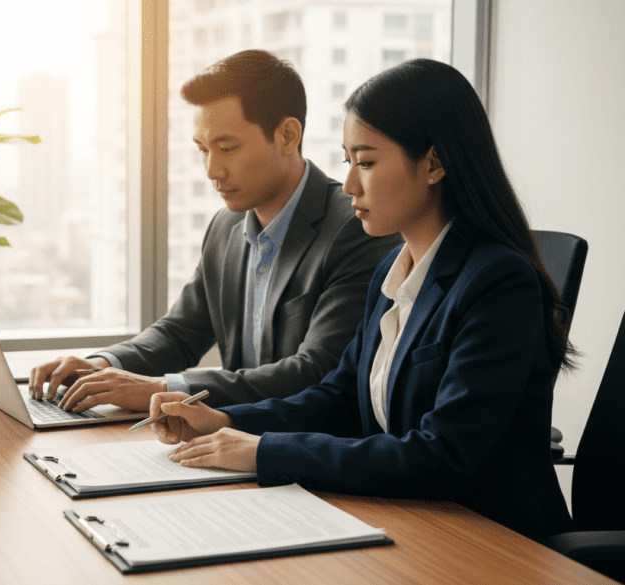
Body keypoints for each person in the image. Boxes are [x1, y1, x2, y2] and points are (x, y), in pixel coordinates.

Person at [148, 58, 576, 542]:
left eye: (367, 162)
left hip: (490, 541)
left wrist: (264, 449)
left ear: (433, 163)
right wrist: (225, 419)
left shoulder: (498, 283)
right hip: (409, 521)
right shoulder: (390, 274)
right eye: (348, 161)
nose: (349, 184)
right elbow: (338, 397)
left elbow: (442, 456)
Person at [28, 50, 401, 413]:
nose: (212, 171)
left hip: (300, 453)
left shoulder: (357, 227)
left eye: (227, 148)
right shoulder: (227, 226)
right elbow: (180, 333)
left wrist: (163, 389)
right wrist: (103, 364)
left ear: (288, 135)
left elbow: (315, 372)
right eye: (203, 150)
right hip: (224, 437)